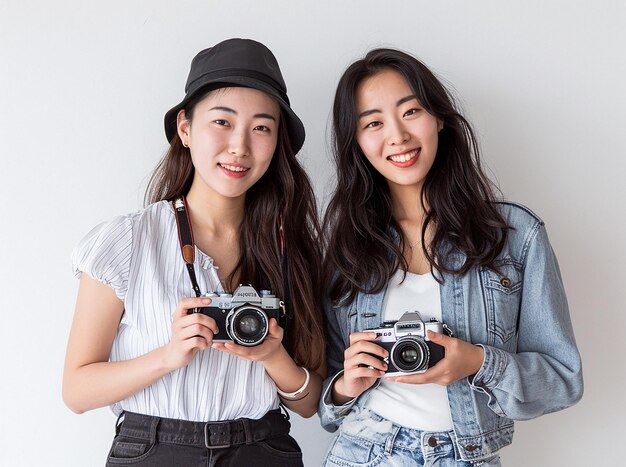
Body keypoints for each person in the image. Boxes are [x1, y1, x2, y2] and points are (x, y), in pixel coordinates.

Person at [63, 38, 325, 467]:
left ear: (277, 141)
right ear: (185, 127)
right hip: (154, 449)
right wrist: (169, 356)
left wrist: (273, 356)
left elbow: (310, 401)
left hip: (264, 447)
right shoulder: (129, 240)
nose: (240, 146)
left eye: (262, 127)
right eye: (222, 122)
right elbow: (76, 391)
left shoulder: (290, 247)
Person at [318, 47, 583, 466]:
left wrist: (477, 362)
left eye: (410, 111)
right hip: (363, 450)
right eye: (373, 123)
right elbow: (327, 400)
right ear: (357, 142)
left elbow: (563, 380)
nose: (397, 136)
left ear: (439, 117)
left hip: (467, 455)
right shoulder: (346, 247)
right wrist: (345, 386)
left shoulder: (514, 236)